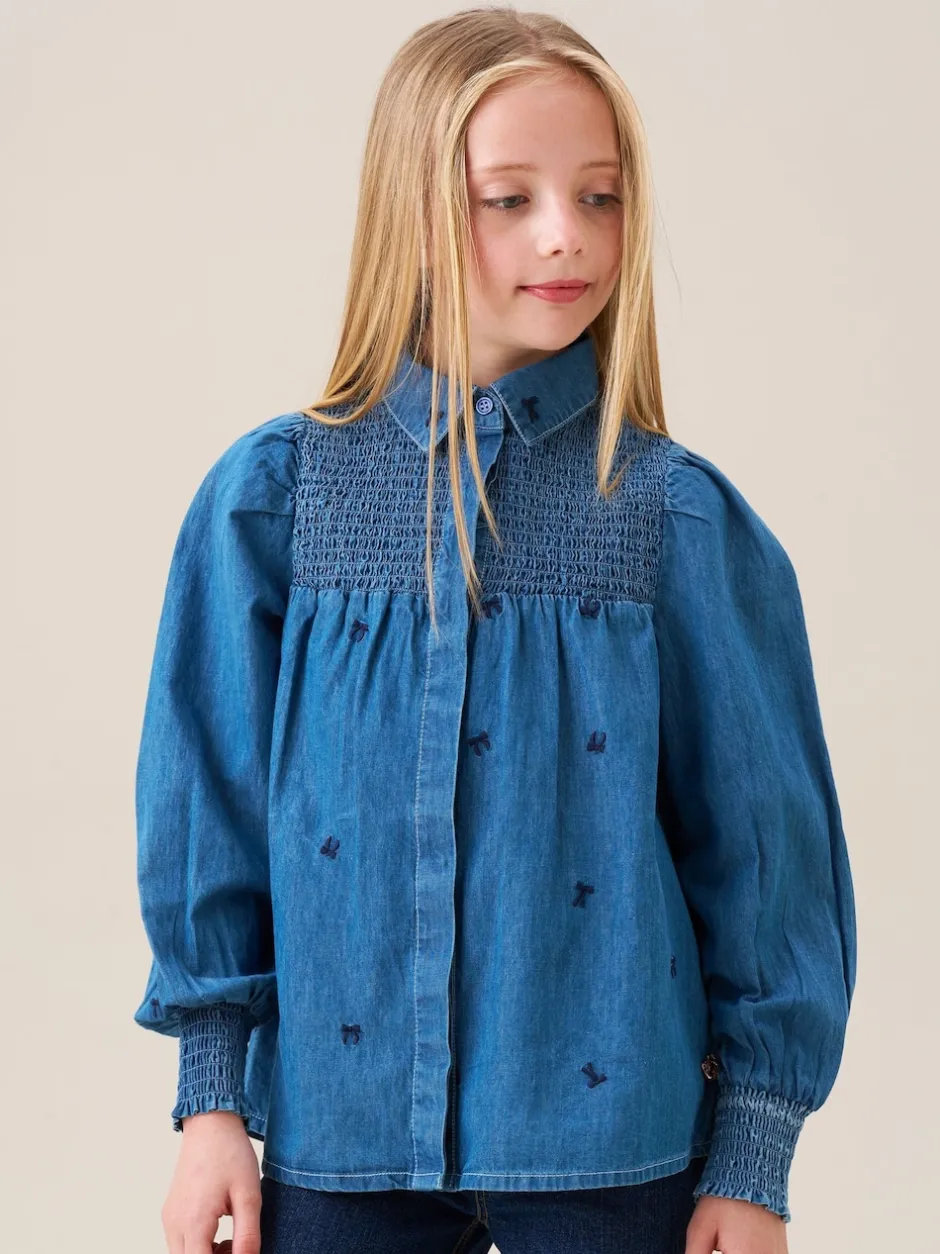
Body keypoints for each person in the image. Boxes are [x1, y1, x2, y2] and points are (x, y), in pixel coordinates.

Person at [132, 8, 857, 1254]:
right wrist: (211, 1108)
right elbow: (211, 812)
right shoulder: (276, 502)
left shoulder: (673, 519)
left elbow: (764, 855)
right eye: (507, 199)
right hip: (336, 1147)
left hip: (616, 1157)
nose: (565, 233)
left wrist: (753, 1159)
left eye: (600, 196)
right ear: (412, 207)